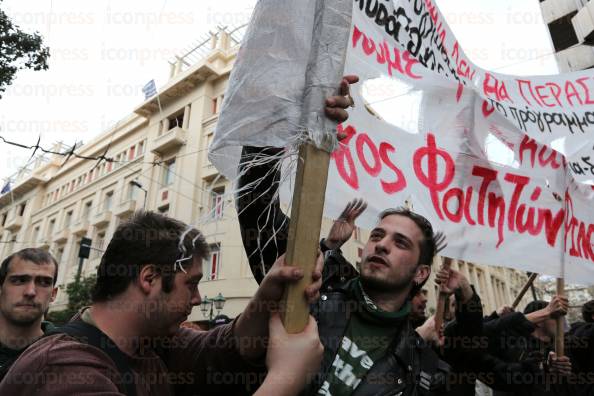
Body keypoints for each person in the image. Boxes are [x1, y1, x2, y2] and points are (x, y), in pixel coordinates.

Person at [0, 211, 324, 396]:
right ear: (149, 279)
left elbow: (220, 350)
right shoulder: (66, 370)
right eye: (192, 284)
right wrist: (285, 379)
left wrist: (268, 296)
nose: (197, 299)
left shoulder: (152, 344)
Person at [237, 146, 453, 396]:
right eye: (377, 235)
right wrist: (282, 119)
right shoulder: (312, 286)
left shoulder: (421, 368)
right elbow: (256, 209)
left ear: (421, 273)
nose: (382, 245)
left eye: (400, 242)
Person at [0, 248, 58, 381]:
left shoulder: (67, 357)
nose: (30, 292)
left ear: (53, 294)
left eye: (44, 282)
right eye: (19, 280)